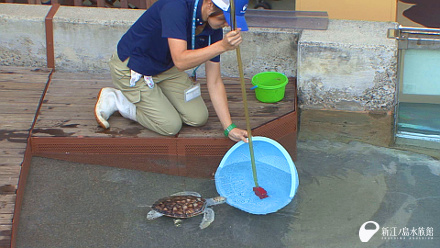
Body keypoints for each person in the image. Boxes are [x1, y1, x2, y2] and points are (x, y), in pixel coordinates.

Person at [95, 0, 249, 143]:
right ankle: (118, 99)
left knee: (198, 117)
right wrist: (221, 46)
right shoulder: (175, 7)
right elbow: (181, 61)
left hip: (165, 67)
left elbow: (214, 81)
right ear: (209, 5)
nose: (225, 25)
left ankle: (154, 96)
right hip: (133, 67)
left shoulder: (213, 27)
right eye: (224, 19)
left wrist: (229, 128)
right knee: (170, 125)